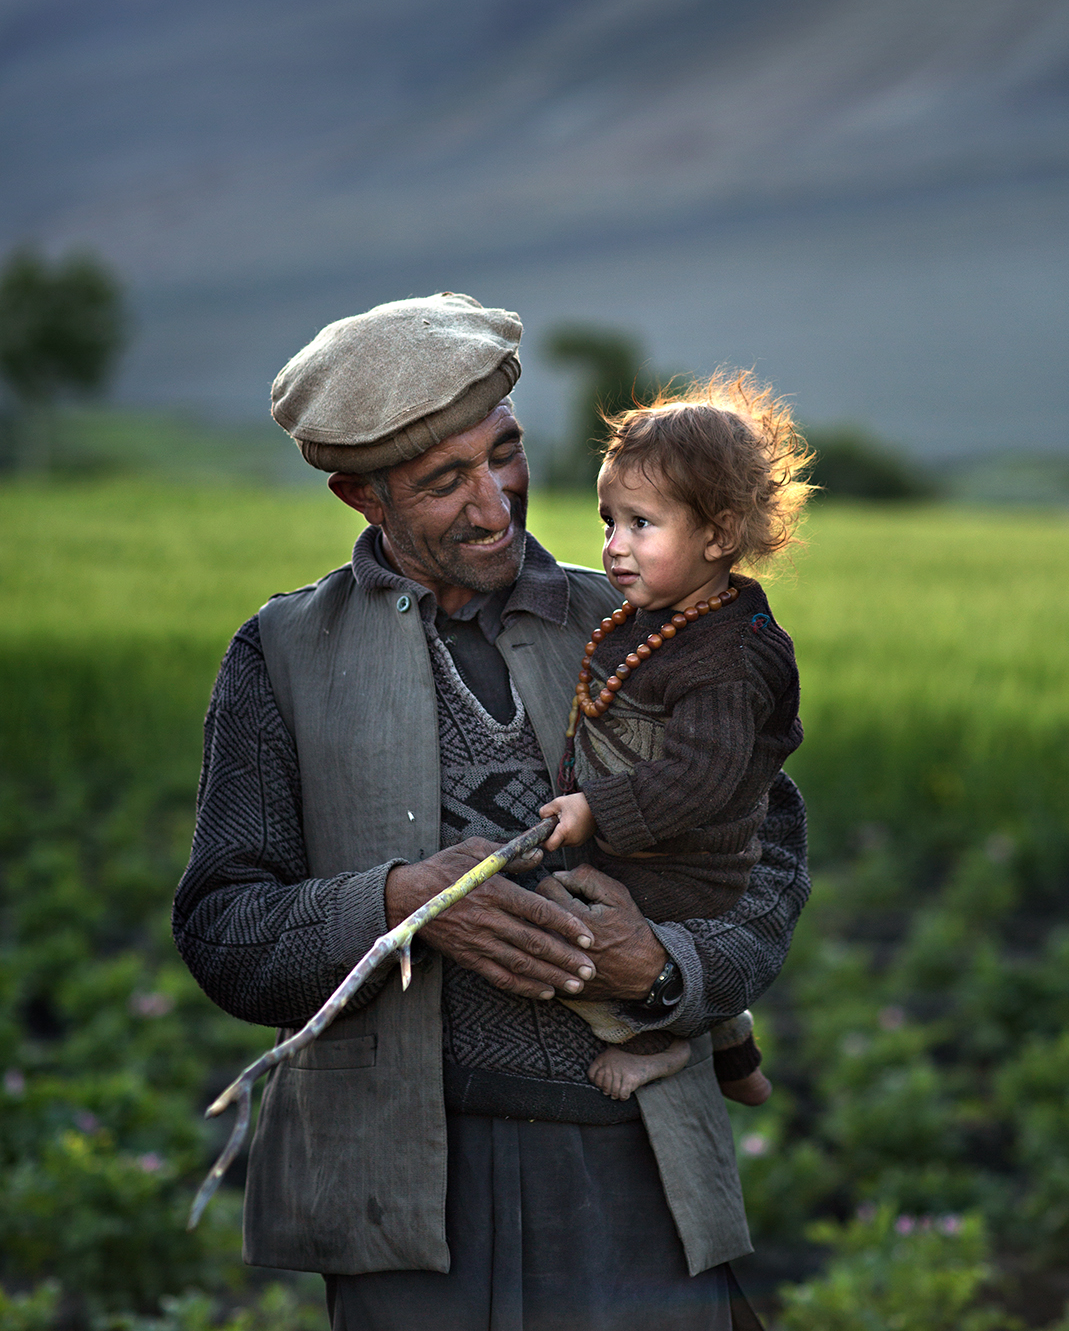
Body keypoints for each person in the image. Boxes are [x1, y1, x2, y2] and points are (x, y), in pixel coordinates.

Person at [173, 293, 811, 1331]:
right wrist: (399, 907)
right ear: (359, 494)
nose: (493, 504)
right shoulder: (283, 657)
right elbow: (222, 931)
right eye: (443, 482)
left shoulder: (657, 623)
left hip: (635, 1163)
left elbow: (768, 853)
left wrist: (665, 971)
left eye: (504, 455)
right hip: (402, 1199)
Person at [539, 375, 809, 1107]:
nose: (614, 547)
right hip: (651, 842)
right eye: (608, 522)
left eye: (641, 524)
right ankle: (736, 1053)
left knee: (577, 935)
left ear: (718, 536)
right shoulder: (658, 618)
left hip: (687, 865)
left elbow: (702, 777)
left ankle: (658, 1041)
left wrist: (595, 808)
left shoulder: (730, 657)